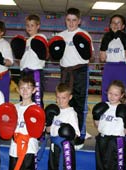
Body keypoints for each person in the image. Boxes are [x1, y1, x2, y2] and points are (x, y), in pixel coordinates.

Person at [48, 7, 94, 149]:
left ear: (79, 21)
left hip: (80, 71)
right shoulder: (60, 36)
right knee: (64, 103)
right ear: (65, 20)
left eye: (74, 20)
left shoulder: (84, 34)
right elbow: (54, 57)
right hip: (65, 72)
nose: (71, 23)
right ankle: (64, 132)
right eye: (69, 20)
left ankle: (80, 135)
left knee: (79, 104)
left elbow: (90, 56)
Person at [5, 76, 45, 170]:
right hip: (14, 148)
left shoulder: (36, 109)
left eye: (28, 88)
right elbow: (8, 126)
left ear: (34, 90)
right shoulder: (14, 107)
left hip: (29, 149)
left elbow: (41, 130)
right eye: (22, 88)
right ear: (18, 90)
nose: (25, 90)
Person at [92, 80, 126, 170]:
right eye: (110, 93)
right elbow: (98, 126)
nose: (112, 96)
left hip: (116, 143)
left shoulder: (124, 109)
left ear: (122, 95)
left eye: (116, 94)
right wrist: (96, 117)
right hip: (101, 140)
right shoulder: (103, 106)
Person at [11, 14, 48, 108]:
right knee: (23, 96)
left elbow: (45, 55)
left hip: (35, 72)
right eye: (27, 25)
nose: (29, 27)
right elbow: (23, 59)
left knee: (37, 98)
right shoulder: (26, 41)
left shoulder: (40, 37)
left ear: (38, 26)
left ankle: (38, 120)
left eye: (32, 25)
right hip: (24, 72)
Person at [45, 83, 80, 170]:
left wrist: (68, 132)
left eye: (64, 98)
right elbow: (48, 131)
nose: (60, 101)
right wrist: (48, 121)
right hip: (54, 146)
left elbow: (76, 134)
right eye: (58, 97)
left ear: (70, 97)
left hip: (65, 148)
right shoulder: (54, 111)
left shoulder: (71, 113)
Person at [99, 14, 126, 103]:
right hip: (109, 67)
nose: (115, 25)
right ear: (110, 25)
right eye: (113, 22)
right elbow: (102, 59)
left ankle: (123, 115)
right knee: (106, 91)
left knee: (122, 92)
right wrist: (103, 46)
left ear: (123, 26)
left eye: (118, 23)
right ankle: (105, 114)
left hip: (121, 67)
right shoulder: (106, 38)